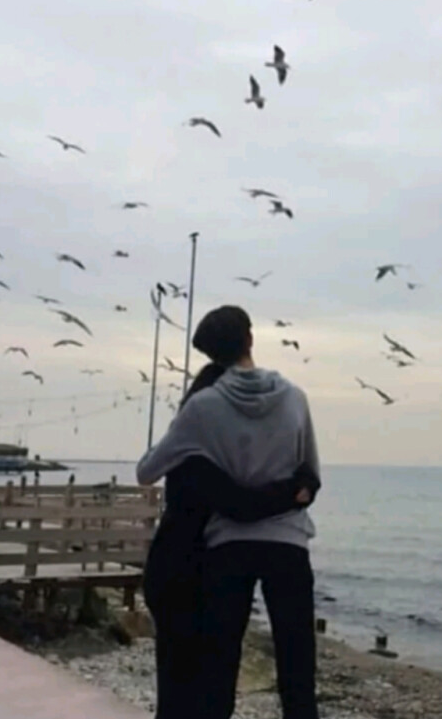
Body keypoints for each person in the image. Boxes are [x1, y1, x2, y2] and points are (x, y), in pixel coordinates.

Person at [137, 305, 321, 719]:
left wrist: (197, 455)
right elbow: (309, 476)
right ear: (250, 340)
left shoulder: (202, 407)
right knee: (297, 665)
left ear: (210, 355)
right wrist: (287, 496)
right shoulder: (295, 397)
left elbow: (146, 471)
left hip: (228, 546)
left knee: (219, 672)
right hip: (288, 543)